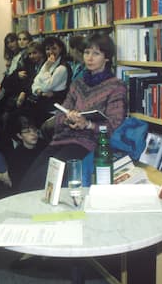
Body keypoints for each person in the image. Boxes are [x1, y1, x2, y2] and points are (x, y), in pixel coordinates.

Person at [19, 33, 127, 192]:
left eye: (96, 53)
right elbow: (60, 115)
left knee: (40, 183)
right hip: (61, 139)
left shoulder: (116, 86)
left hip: (87, 144)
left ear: (107, 58)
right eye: (86, 52)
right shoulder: (78, 83)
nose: (89, 58)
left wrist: (88, 124)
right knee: (27, 182)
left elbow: (114, 126)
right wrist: (68, 118)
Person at [27, 36, 71, 127]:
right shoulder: (48, 63)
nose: (50, 52)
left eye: (54, 48)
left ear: (61, 49)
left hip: (54, 108)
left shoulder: (62, 68)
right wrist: (38, 91)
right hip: (43, 104)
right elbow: (35, 83)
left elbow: (47, 87)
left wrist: (46, 69)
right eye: (47, 49)